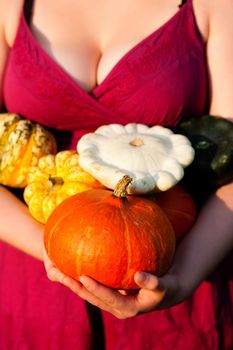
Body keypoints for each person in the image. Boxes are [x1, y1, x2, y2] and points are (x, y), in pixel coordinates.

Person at [0, 0, 232, 349]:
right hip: (34, 275)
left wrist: (181, 278)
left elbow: (231, 162)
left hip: (174, 266)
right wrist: (59, 251)